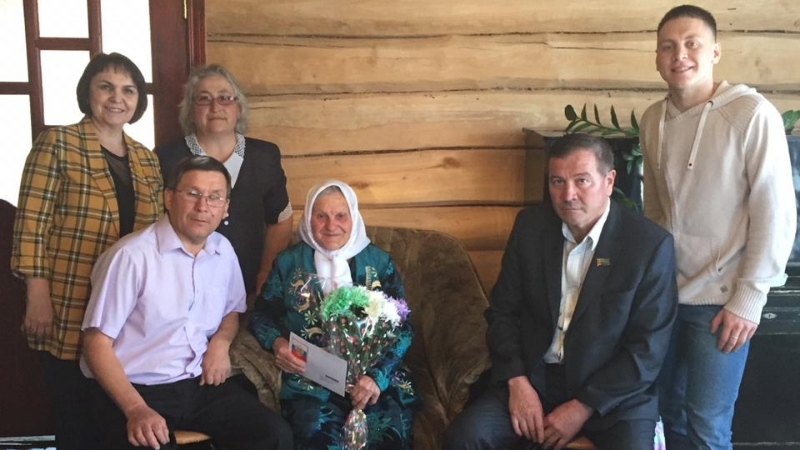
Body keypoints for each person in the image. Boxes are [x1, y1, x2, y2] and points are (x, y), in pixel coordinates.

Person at [443, 133, 678, 450]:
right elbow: (502, 312)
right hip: (535, 380)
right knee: (465, 438)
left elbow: (647, 349)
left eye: (582, 181)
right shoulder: (530, 228)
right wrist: (517, 381)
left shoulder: (648, 245)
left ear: (609, 181)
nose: (568, 194)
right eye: (557, 182)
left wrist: (582, 407)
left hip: (611, 394)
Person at [640, 5, 796, 450]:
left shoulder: (751, 114)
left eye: (692, 44)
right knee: (667, 416)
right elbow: (655, 212)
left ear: (715, 52)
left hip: (722, 306)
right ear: (657, 58)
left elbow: (776, 212)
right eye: (668, 46)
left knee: (708, 427)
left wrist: (749, 299)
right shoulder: (652, 120)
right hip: (666, 302)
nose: (679, 55)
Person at [80, 156, 292, 450]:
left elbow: (232, 310)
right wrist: (136, 409)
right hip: (135, 388)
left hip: (197, 384)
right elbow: (96, 343)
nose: (203, 206)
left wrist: (220, 343)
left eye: (214, 197)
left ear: (225, 207)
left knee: (273, 435)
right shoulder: (131, 256)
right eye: (192, 193)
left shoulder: (223, 251)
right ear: (169, 198)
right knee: (152, 443)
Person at [11, 52, 163, 450]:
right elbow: (32, 222)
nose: (117, 98)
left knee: (112, 411)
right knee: (73, 409)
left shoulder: (146, 159)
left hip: (126, 304)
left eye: (128, 90)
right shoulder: (58, 143)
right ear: (88, 92)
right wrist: (37, 293)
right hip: (68, 296)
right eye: (106, 87)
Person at [248, 180, 416, 450]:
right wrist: (277, 343)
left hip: (373, 379)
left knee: (390, 432)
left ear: (354, 217)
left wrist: (376, 376)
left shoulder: (378, 262)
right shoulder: (288, 263)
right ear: (308, 218)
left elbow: (403, 327)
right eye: (321, 216)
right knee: (313, 431)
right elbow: (260, 315)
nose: (331, 225)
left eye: (340, 216)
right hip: (311, 379)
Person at [156, 64, 293, 296]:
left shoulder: (264, 156)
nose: (215, 107)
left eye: (225, 98)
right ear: (190, 109)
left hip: (249, 288)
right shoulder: (167, 158)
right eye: (204, 98)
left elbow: (280, 218)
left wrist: (266, 271)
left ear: (238, 108)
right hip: (183, 289)